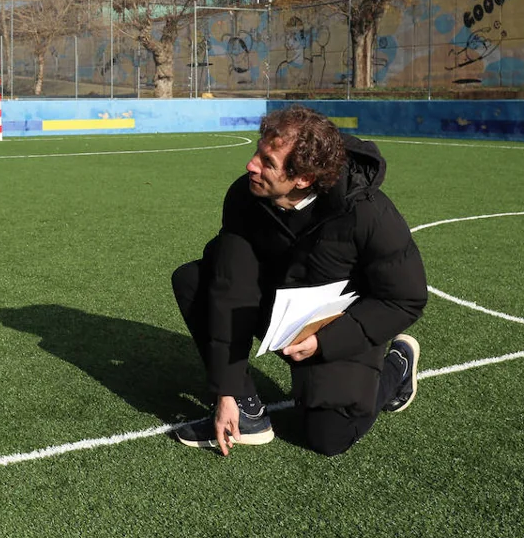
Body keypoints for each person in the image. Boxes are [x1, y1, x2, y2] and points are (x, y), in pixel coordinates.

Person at [171, 105, 427, 457]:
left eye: (267, 162)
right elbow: (233, 288)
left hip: (339, 327)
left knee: (329, 437)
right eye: (258, 153)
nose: (251, 165)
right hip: (278, 311)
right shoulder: (245, 196)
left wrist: (326, 341)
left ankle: (397, 367)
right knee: (195, 278)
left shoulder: (368, 212)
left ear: (303, 179)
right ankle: (248, 413)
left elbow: (405, 298)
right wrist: (226, 391)